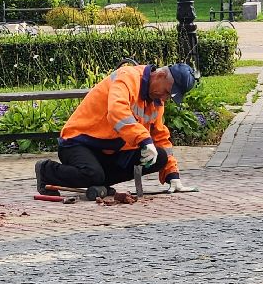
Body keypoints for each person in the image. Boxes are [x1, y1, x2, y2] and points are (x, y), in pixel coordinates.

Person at [35, 63, 197, 197]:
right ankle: (46, 171)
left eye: (169, 96)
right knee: (93, 174)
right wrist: (144, 140)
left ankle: (100, 182)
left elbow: (161, 138)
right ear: (160, 75)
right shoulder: (128, 77)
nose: (164, 98)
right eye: (167, 92)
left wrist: (172, 175)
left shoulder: (157, 101)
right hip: (78, 142)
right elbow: (117, 112)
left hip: (110, 149)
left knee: (159, 157)